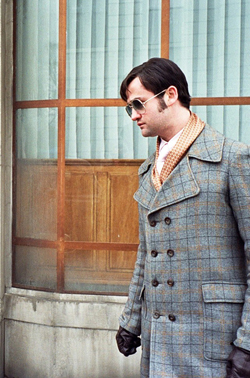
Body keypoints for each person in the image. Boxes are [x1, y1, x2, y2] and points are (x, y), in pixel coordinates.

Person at [116, 57, 250, 378]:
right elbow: (146, 254)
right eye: (128, 108)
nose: (133, 115)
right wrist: (131, 320)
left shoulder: (232, 158)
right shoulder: (147, 170)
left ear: (170, 95)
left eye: (138, 104)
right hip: (157, 337)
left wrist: (247, 343)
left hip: (215, 341)